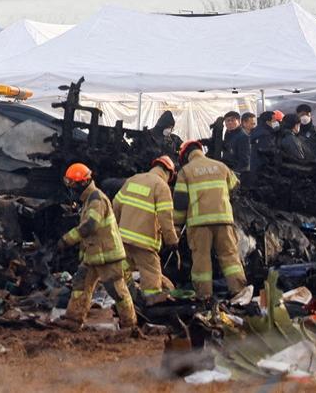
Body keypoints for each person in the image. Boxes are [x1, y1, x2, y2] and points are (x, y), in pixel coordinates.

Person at [59, 163, 136, 330]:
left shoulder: (96, 199)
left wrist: (67, 239)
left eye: (72, 184)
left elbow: (90, 225)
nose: (71, 189)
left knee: (116, 290)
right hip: (94, 254)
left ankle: (129, 325)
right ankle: (73, 319)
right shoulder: (88, 199)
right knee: (80, 284)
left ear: (82, 183)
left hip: (107, 255)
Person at [173, 141, 246, 299]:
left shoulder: (185, 171)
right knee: (230, 256)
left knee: (201, 259)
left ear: (185, 156)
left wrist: (177, 226)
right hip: (224, 219)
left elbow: (180, 202)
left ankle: (204, 295)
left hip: (199, 223)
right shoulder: (221, 166)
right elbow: (235, 187)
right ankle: (239, 292)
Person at [112, 156, 179, 305]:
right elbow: (165, 217)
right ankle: (152, 305)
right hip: (145, 242)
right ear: (168, 172)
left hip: (123, 239)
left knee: (123, 272)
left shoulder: (133, 180)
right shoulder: (161, 186)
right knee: (151, 275)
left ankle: (125, 303)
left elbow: (115, 205)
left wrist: (115, 230)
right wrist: (172, 240)